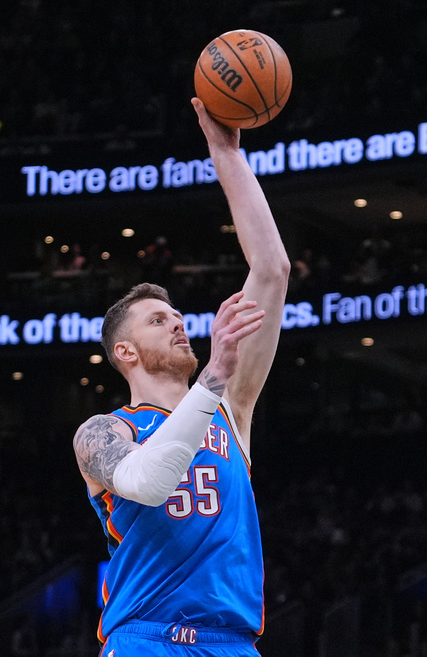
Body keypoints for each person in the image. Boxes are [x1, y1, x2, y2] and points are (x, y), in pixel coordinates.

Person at [72, 98, 290, 655]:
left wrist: (226, 153)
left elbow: (272, 269)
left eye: (176, 317)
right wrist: (213, 377)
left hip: (236, 642)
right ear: (124, 351)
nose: (176, 325)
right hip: (149, 639)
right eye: (156, 320)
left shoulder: (232, 410)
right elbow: (147, 483)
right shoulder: (103, 432)